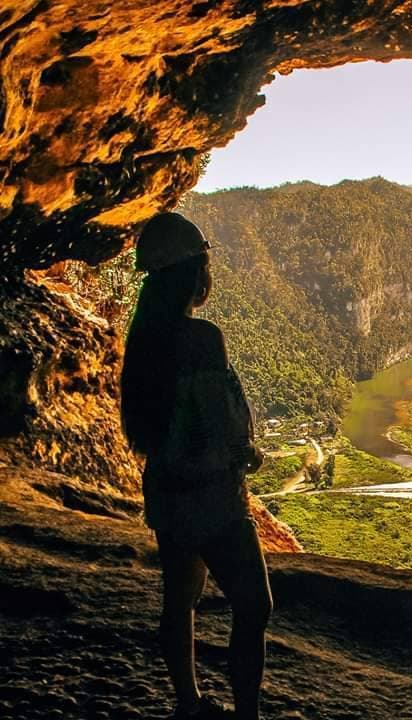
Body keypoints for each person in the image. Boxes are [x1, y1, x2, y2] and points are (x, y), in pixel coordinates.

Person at [120, 212, 271, 720]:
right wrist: (249, 454)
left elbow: (151, 429)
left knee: (180, 599)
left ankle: (189, 703)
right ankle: (246, 714)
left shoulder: (142, 342)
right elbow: (220, 422)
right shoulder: (202, 338)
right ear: (194, 273)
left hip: (165, 489)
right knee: (255, 604)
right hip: (211, 495)